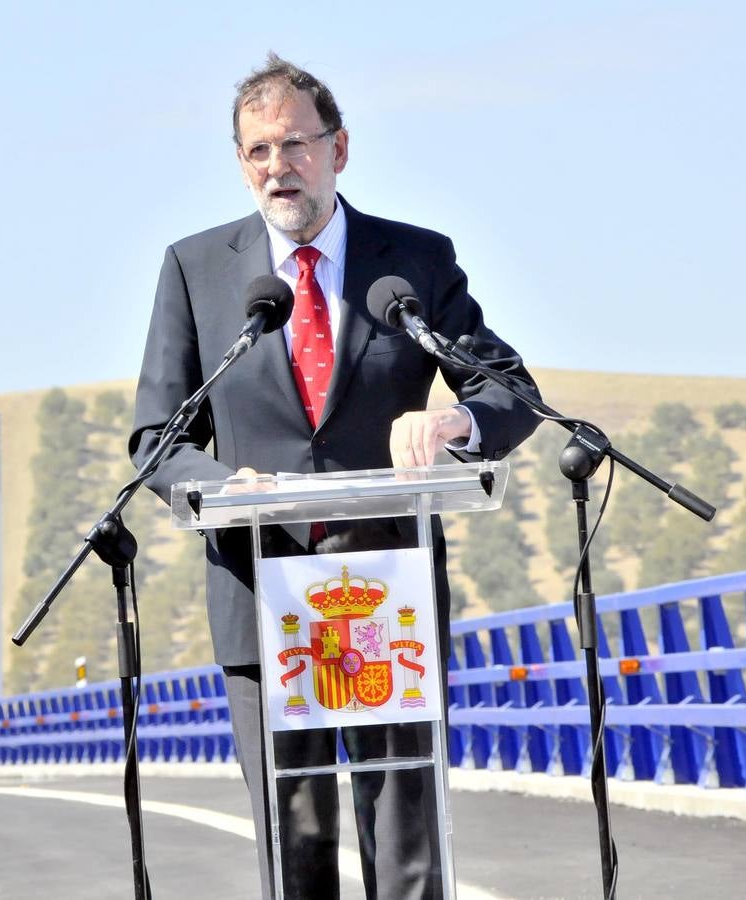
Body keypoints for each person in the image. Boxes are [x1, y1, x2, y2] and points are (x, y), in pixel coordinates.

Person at [129, 54, 541, 899]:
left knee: (406, 843)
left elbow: (507, 389)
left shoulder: (412, 264)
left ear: (338, 149)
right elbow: (157, 438)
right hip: (261, 592)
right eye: (256, 152)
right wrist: (217, 486)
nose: (276, 168)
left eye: (293, 145)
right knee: (297, 844)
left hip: (386, 593)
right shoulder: (197, 270)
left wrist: (455, 419)